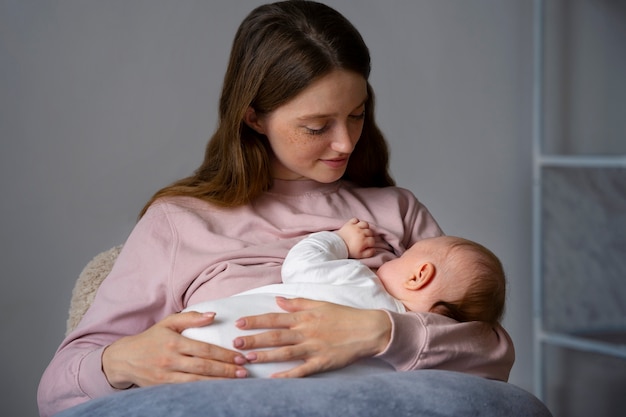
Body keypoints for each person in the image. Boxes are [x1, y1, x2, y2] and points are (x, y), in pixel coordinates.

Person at [38, 2, 514, 416]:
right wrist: (122, 361)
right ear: (254, 117)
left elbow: (491, 353)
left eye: (356, 114)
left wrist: (377, 332)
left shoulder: (397, 211)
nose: (346, 141)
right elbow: (57, 389)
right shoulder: (180, 222)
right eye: (316, 126)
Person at [181, 218, 506, 377]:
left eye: (403, 256)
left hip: (209, 331)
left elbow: (300, 264)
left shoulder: (359, 279)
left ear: (418, 275)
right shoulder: (414, 362)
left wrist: (340, 241)